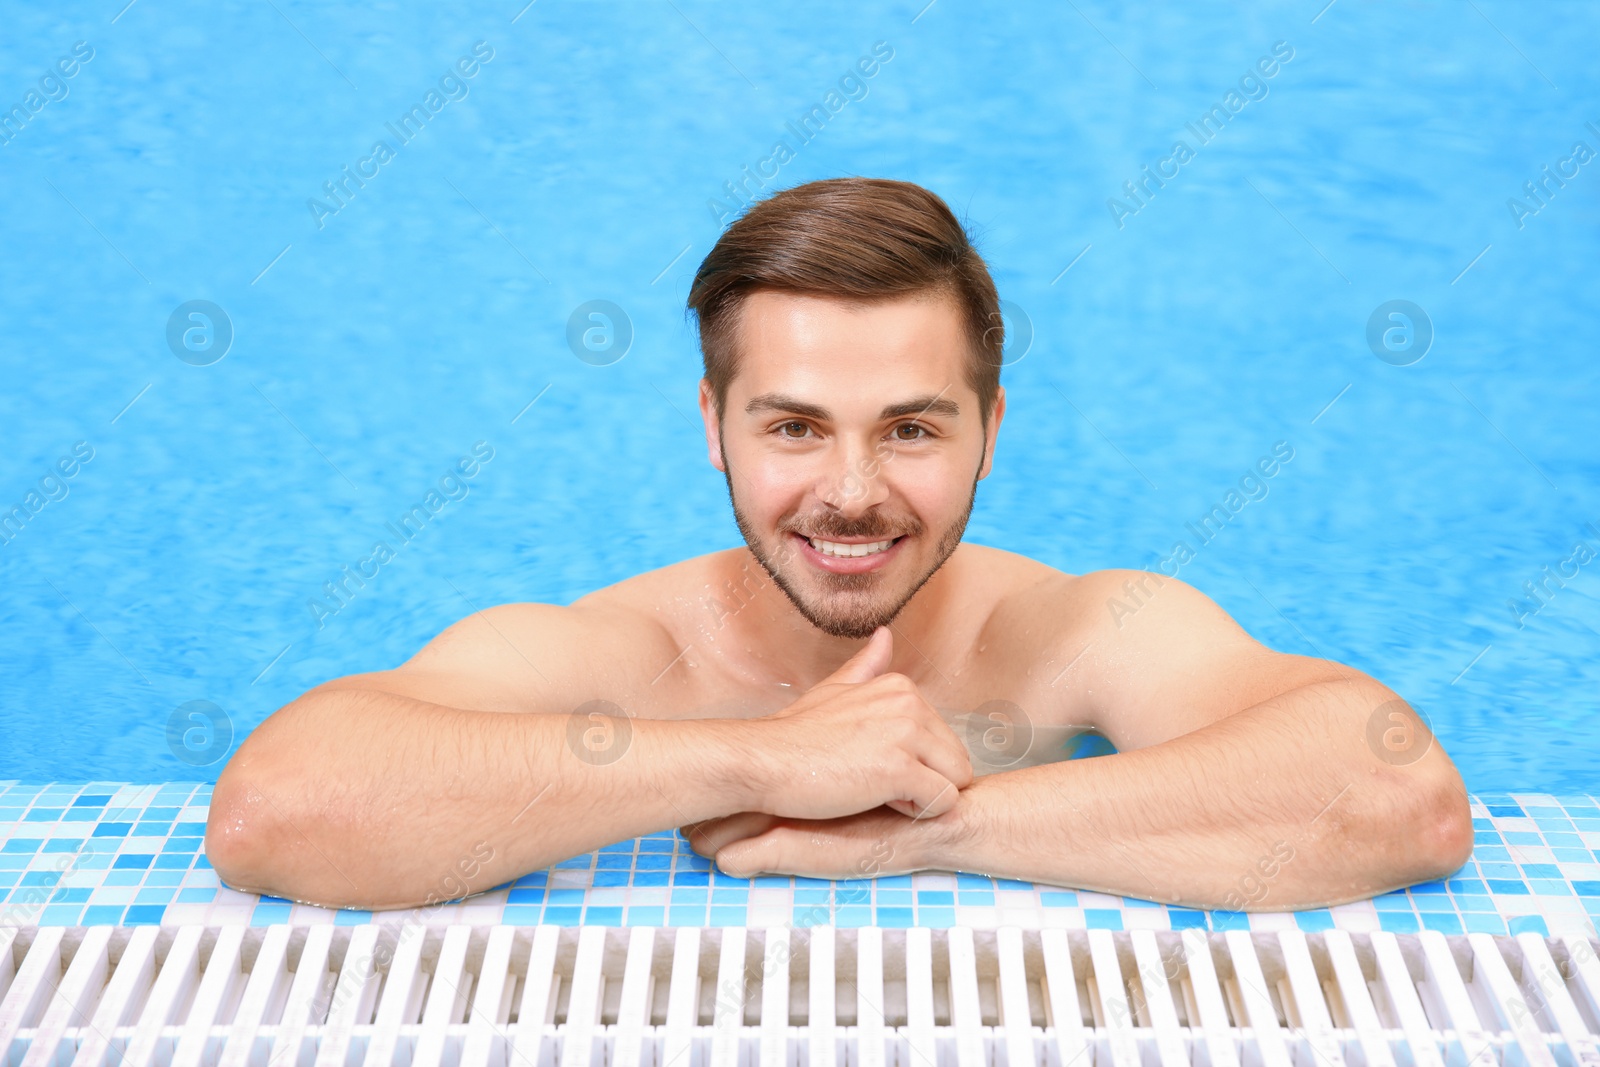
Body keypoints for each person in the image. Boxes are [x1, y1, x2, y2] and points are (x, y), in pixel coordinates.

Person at [206, 177, 1472, 912]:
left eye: (912, 427)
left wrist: (925, 829)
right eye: (795, 426)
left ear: (990, 431)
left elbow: (1395, 793)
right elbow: (282, 807)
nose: (851, 492)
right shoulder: (622, 649)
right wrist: (758, 759)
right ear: (713, 425)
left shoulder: (1070, 635)